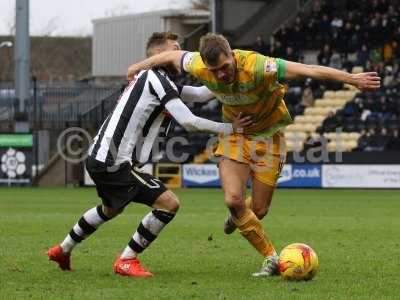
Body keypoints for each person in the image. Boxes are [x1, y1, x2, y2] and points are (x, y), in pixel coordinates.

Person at [126, 33, 381, 277]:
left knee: (258, 209)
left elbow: (309, 70)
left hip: (269, 137)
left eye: (225, 67)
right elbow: (168, 57)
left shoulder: (259, 65)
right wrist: (137, 67)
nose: (221, 74)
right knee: (234, 199)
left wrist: (352, 79)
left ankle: (238, 218)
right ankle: (271, 257)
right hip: (235, 135)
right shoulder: (198, 64)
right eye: (214, 71)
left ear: (232, 55)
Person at [47, 32, 251, 278]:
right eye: (174, 49)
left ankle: (63, 249)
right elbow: (188, 122)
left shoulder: (154, 79)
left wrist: (231, 76)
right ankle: (126, 259)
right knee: (169, 204)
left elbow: (201, 94)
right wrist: (230, 129)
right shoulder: (155, 77)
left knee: (110, 209)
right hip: (114, 161)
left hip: (102, 158)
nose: (179, 56)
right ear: (158, 55)